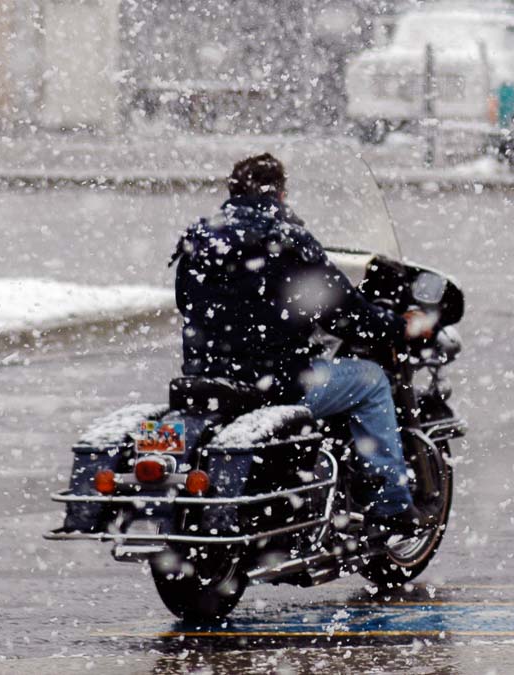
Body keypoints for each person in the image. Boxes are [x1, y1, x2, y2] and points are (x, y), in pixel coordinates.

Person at [171, 153, 432, 533]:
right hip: (275, 380)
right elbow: (342, 312)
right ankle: (390, 504)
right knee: (372, 380)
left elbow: (187, 303)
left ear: (232, 189)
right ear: (279, 192)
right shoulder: (286, 240)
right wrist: (396, 326)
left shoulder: (200, 237)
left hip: (209, 377)